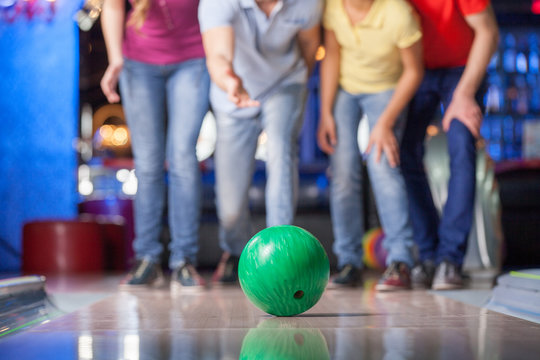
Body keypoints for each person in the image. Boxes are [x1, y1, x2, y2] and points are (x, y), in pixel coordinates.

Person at [198, 0, 323, 285]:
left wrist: (297, 84)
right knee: (230, 206)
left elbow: (309, 45)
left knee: (281, 148)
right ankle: (234, 252)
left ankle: (281, 254)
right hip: (233, 89)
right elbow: (218, 56)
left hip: (284, 83)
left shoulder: (308, 3)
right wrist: (231, 84)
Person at [100, 0, 210, 290]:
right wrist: (115, 59)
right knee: (147, 163)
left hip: (194, 58)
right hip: (138, 63)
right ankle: (147, 258)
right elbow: (112, 7)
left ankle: (184, 259)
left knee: (183, 158)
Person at [318, 0, 424, 290]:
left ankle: (401, 260)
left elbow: (414, 71)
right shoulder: (333, 7)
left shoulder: (397, 13)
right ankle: (349, 261)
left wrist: (386, 122)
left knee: (382, 163)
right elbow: (331, 56)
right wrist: (326, 111)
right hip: (346, 89)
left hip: (387, 89)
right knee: (342, 171)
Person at [400, 0, 499, 290]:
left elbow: (488, 32)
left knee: (462, 147)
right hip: (416, 69)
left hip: (463, 68)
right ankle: (428, 256)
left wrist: (464, 93)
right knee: (403, 150)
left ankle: (450, 260)